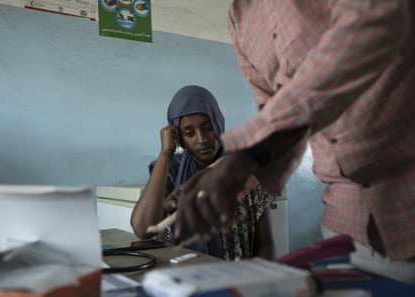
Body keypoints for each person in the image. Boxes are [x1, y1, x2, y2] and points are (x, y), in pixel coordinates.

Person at [172, 1, 415, 284]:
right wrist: (228, 175)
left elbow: (374, 22)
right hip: (348, 227)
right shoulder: (240, 20)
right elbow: (278, 124)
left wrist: (249, 152)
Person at [130, 85, 276, 260]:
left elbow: (265, 244)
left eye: (208, 127)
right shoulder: (173, 173)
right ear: (179, 137)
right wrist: (165, 153)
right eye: (189, 133)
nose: (202, 139)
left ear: (218, 123)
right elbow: (142, 229)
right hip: (188, 277)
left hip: (239, 278)